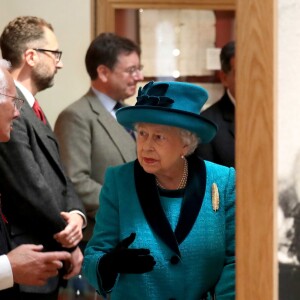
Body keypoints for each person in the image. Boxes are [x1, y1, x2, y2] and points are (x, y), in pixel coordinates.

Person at [83, 81, 236, 299]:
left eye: (159, 136)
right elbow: (93, 258)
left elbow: (235, 260)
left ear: (186, 142)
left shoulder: (223, 181)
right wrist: (109, 264)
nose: (146, 146)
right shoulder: (119, 181)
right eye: (142, 133)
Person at [0, 16, 87, 299]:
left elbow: (60, 176)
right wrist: (69, 242)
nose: (59, 63)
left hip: (41, 259)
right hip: (25, 256)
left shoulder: (33, 108)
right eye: (55, 54)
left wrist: (77, 215)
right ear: (31, 56)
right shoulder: (12, 110)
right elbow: (31, 188)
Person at [54, 32, 142, 246]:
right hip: (104, 239)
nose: (139, 77)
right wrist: (131, 204)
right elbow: (76, 181)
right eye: (131, 70)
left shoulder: (134, 115)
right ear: (103, 72)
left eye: (139, 68)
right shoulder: (77, 116)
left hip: (140, 232)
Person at [195, 41, 235, 167]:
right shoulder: (207, 123)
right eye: (242, 73)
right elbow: (207, 180)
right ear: (224, 78)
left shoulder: (271, 115)